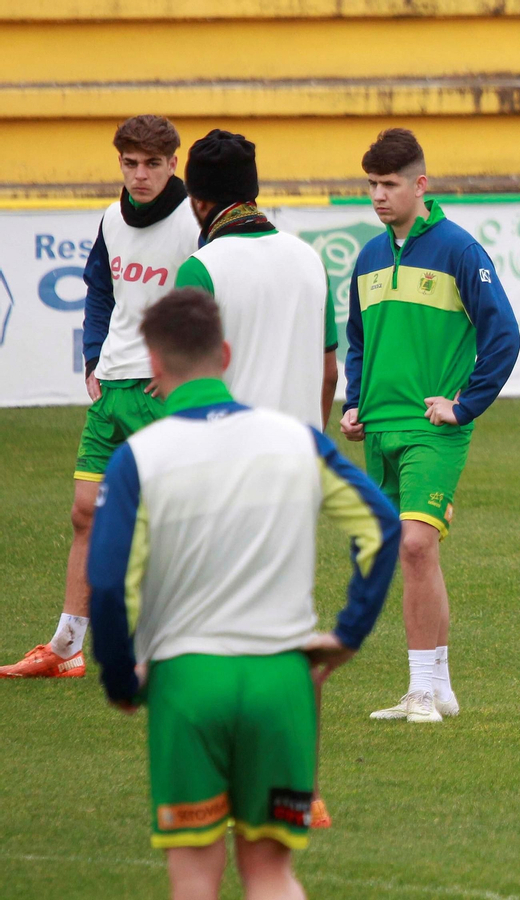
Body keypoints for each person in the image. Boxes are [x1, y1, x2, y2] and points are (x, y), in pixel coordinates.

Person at [86, 287, 399, 900]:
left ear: (154, 364)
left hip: (187, 682)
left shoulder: (138, 459)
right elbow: (382, 528)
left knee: (194, 878)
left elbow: (108, 584)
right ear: (225, 355)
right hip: (280, 682)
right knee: (272, 873)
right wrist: (348, 633)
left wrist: (120, 679)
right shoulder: (295, 439)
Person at [1, 115, 198, 679]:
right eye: (130, 164)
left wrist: (183, 365)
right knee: (85, 513)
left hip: (163, 393)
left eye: (153, 164)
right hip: (111, 388)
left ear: (173, 163)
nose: (140, 175)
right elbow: (99, 291)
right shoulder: (112, 218)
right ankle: (66, 647)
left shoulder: (195, 220)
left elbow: (219, 299)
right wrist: (94, 356)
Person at [341, 128, 520, 724]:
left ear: (420, 185)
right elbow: (360, 341)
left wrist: (464, 405)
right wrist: (354, 402)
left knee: (416, 545)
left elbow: (504, 335)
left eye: (389, 184)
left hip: (432, 429)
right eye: (371, 184)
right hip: (380, 428)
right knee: (415, 554)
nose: (378, 195)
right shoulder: (368, 257)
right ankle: (438, 689)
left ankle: (419, 690)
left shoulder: (459, 250)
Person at [174, 129, 339, 429]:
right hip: (303, 449)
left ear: (198, 201)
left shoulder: (198, 269)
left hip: (234, 450)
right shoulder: (311, 259)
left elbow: (190, 385)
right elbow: (329, 375)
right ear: (252, 193)